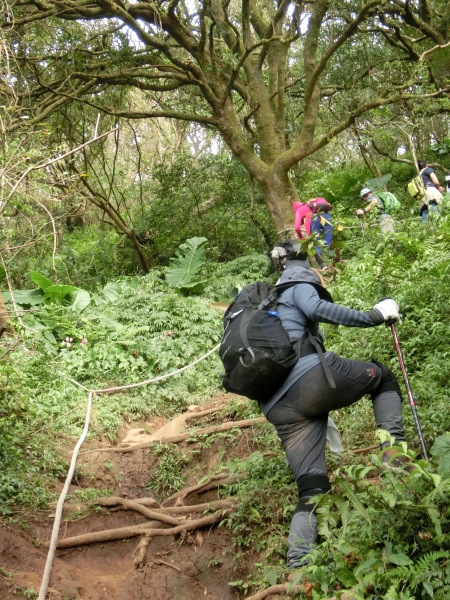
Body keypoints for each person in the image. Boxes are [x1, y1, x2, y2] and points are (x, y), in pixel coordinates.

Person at [265, 243, 406, 570]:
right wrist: (373, 316)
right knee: (382, 377)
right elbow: (316, 309)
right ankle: (397, 462)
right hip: (308, 380)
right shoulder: (297, 286)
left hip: (277, 407)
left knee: (312, 488)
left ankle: (299, 569)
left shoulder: (267, 304)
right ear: (306, 269)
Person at [292, 199, 332, 271]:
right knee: (328, 240)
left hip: (314, 219)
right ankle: (332, 261)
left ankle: (322, 265)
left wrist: (302, 238)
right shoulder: (310, 204)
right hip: (327, 216)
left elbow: (297, 227)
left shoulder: (299, 210)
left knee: (313, 242)